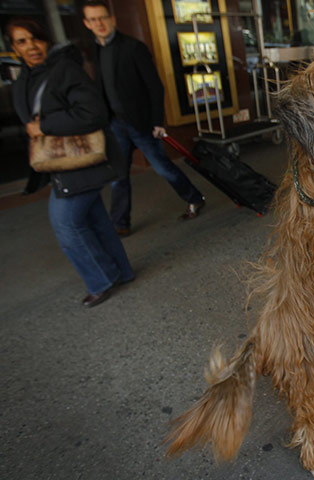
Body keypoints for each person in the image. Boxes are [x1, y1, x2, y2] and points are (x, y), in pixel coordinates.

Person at [8, 17, 134, 308]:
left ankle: (101, 279)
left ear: (46, 39)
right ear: (13, 47)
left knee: (65, 224)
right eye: (22, 41)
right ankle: (123, 272)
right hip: (62, 164)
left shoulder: (63, 70)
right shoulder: (27, 76)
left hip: (80, 163)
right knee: (96, 220)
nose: (31, 46)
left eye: (35, 38)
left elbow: (94, 113)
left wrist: (45, 126)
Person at [81, 0, 205, 237]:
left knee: (162, 168)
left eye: (103, 18)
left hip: (141, 123)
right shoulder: (94, 51)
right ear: (87, 24)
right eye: (93, 20)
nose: (100, 23)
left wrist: (158, 121)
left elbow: (154, 87)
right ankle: (120, 223)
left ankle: (194, 198)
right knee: (119, 175)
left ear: (112, 19)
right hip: (115, 123)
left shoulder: (133, 47)